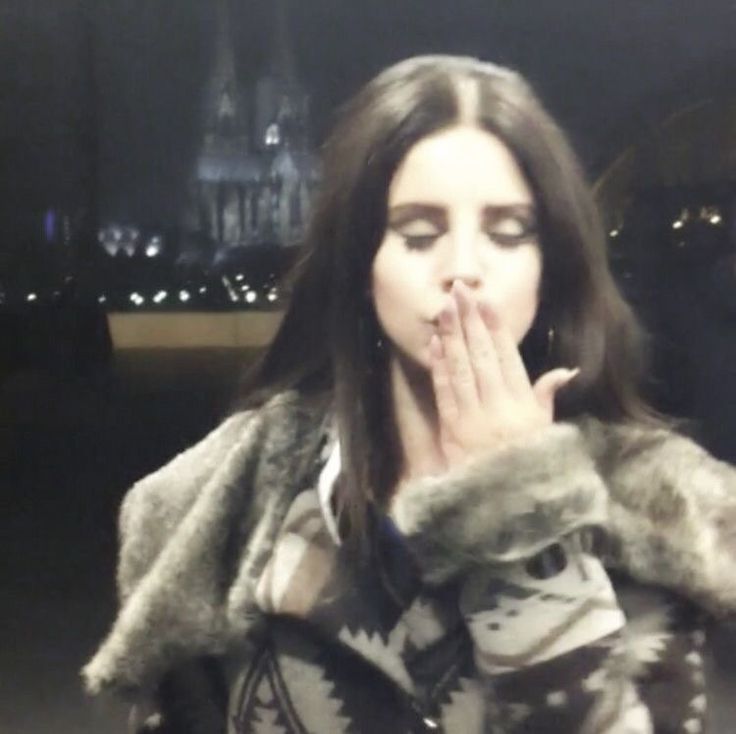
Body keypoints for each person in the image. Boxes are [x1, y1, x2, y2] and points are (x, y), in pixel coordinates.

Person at [83, 56, 736, 733]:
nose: (462, 270)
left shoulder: (655, 514)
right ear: (362, 265)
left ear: (552, 269)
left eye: (507, 234)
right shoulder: (219, 510)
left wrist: (519, 516)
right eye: (418, 234)